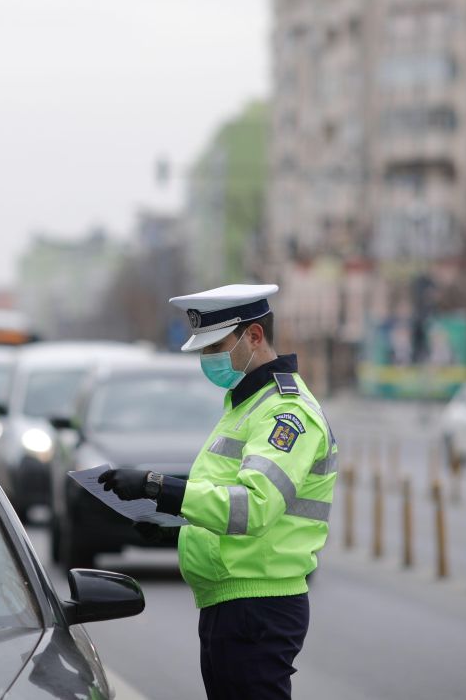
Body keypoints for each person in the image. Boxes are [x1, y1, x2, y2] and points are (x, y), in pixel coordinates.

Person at [98, 284, 337, 700]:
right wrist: (177, 530)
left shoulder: (286, 413)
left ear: (255, 337)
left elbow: (255, 507)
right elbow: (225, 498)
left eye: (216, 347)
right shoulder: (245, 404)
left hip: (259, 604)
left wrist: (160, 487)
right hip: (233, 600)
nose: (208, 359)